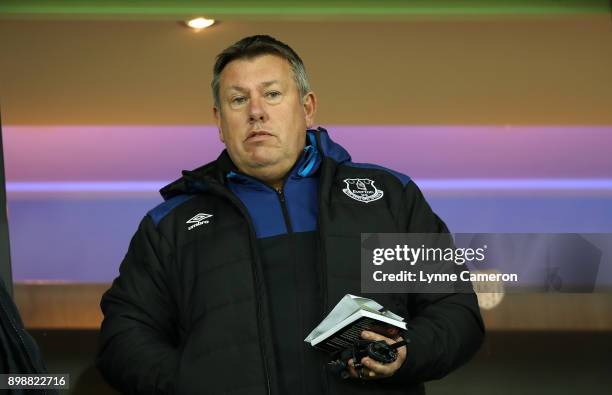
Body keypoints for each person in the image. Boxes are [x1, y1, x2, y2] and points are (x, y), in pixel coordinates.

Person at [96, 35, 485, 394]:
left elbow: (454, 309)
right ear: (219, 121)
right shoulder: (173, 226)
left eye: (272, 94)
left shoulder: (388, 199)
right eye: (238, 100)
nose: (256, 112)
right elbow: (123, 339)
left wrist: (407, 352)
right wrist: (193, 382)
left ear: (307, 107)